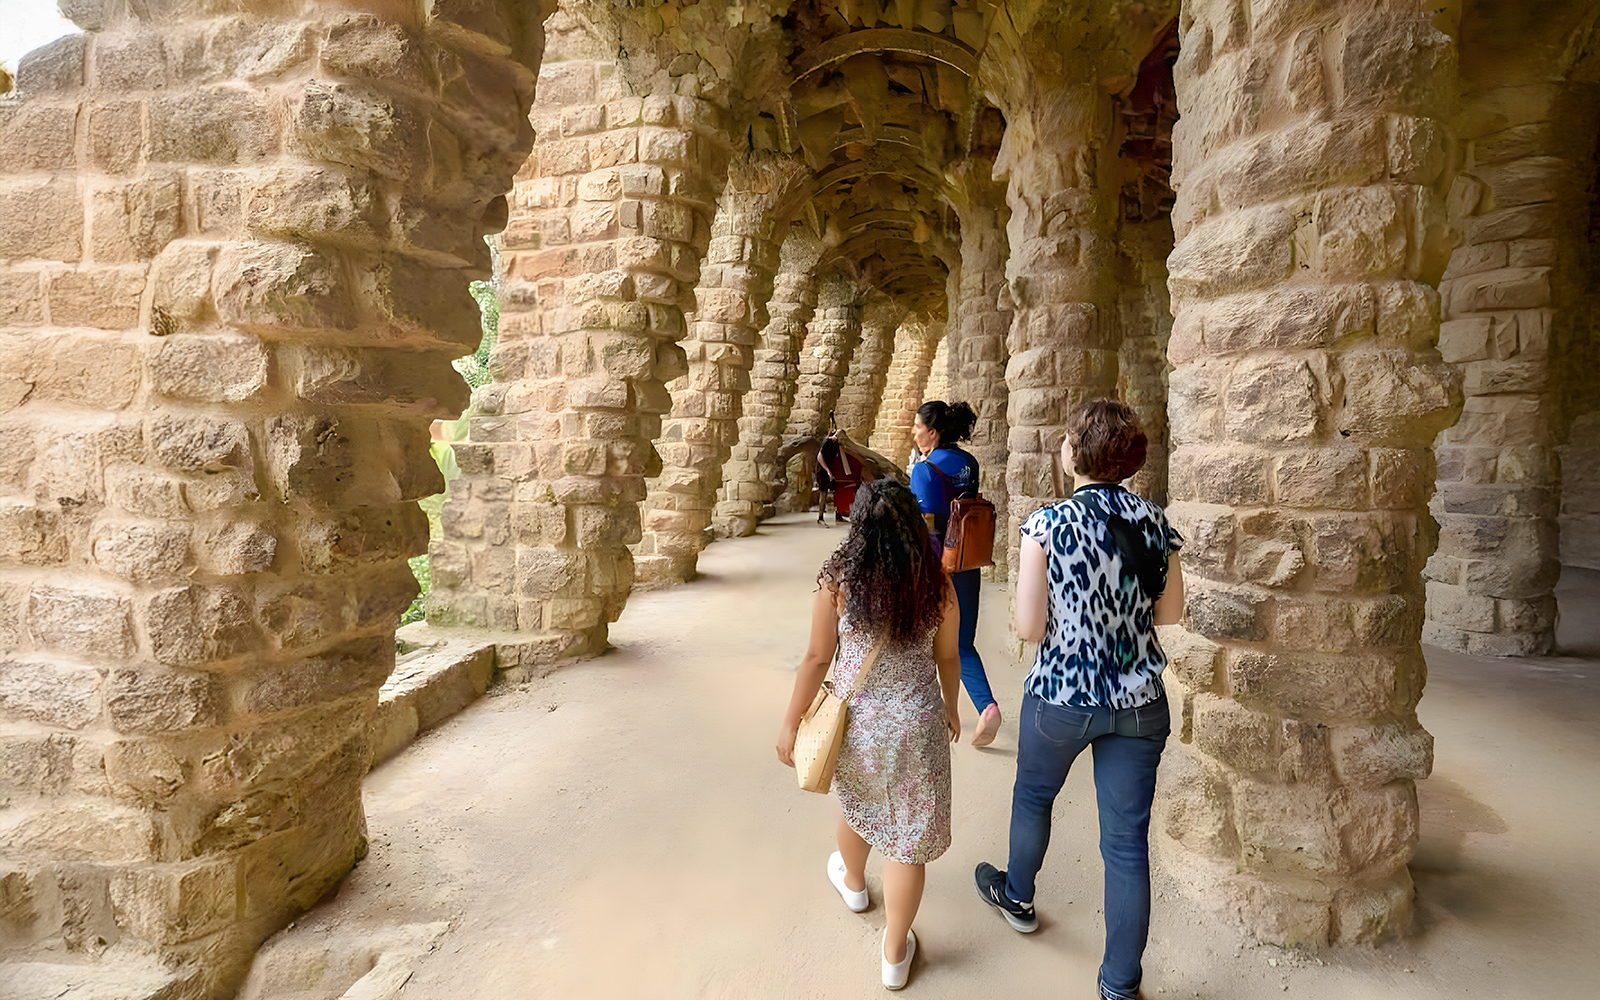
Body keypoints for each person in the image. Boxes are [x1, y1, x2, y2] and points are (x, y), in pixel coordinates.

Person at [973, 398, 1185, 1000]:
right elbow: (1169, 612)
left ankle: (1017, 896)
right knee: (1125, 844)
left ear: (1077, 452)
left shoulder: (1048, 525)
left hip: (1064, 695)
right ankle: (1119, 984)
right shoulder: (1156, 523)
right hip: (1140, 699)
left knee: (1034, 796)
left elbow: (1028, 628)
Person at [776, 478, 961, 991]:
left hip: (860, 723)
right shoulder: (936, 583)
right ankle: (895, 953)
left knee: (860, 808)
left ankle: (854, 885)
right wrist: (950, 705)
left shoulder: (838, 580)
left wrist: (791, 722)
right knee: (906, 842)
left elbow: (816, 658)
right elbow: (948, 654)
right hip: (919, 723)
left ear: (858, 527)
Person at [908, 400, 1000, 747]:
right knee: (962, 643)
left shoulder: (925, 468)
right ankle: (987, 706)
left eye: (918, 426)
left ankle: (926, 713)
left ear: (932, 431)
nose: (914, 432)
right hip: (967, 558)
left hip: (936, 565)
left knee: (926, 641)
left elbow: (926, 523)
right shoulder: (968, 463)